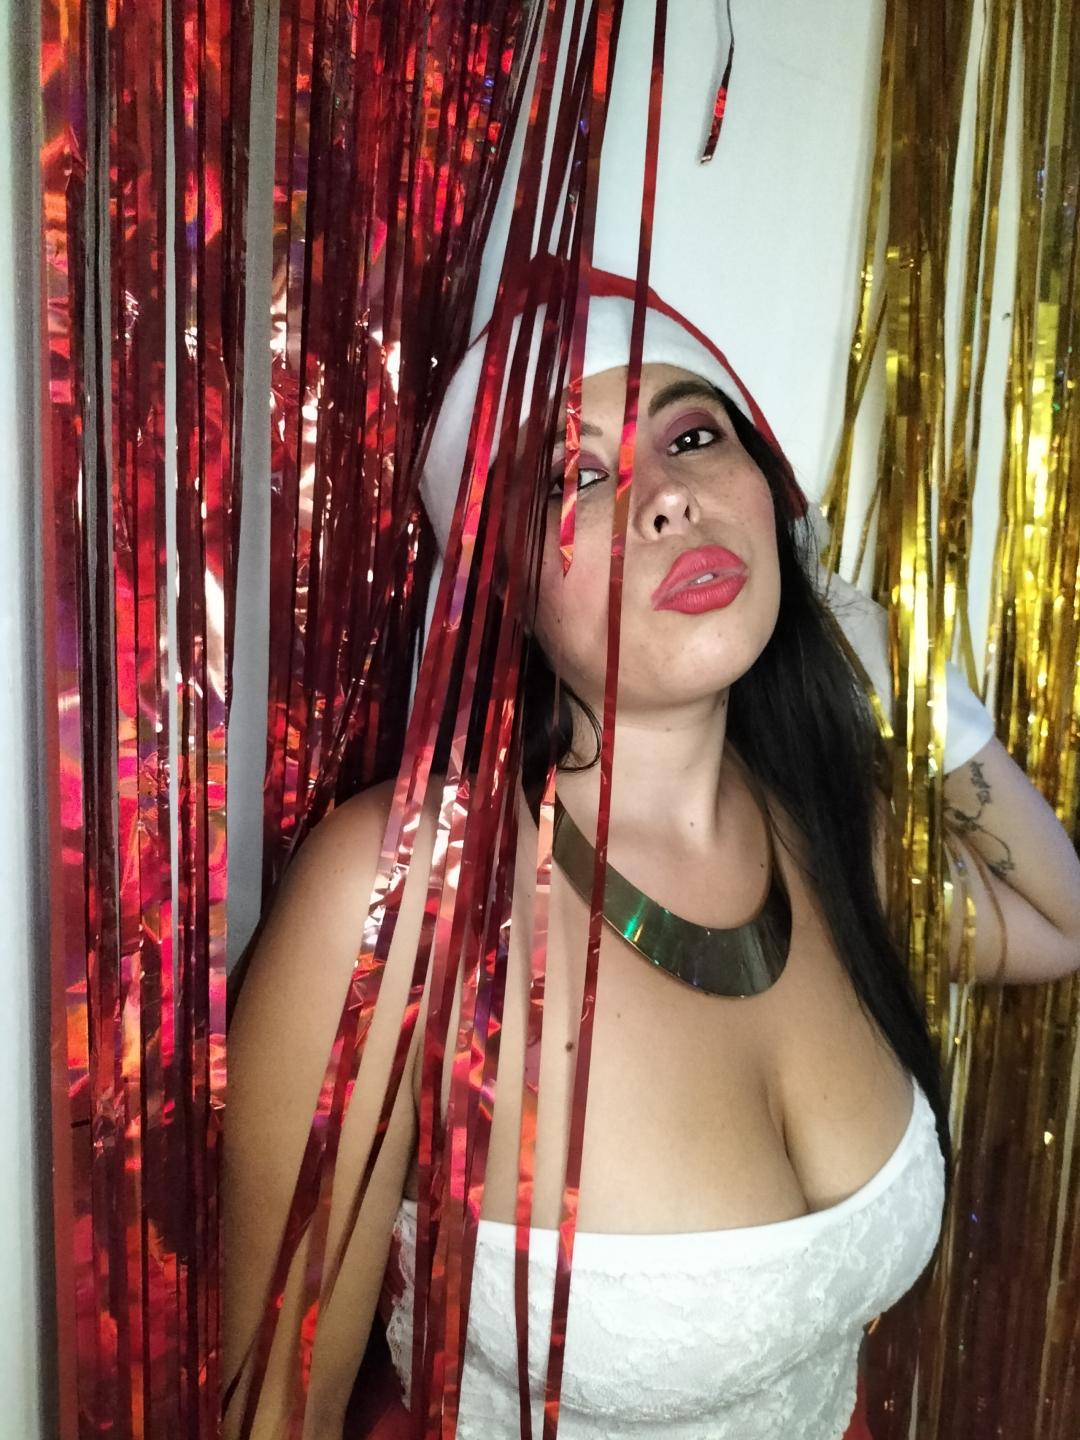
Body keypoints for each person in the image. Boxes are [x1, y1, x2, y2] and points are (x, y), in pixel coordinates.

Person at [222, 273, 1080, 1440]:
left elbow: (1057, 921)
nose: (667, 498)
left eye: (692, 437)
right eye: (572, 477)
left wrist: (909, 684)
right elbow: (275, 1415)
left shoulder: (831, 829)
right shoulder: (403, 889)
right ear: (501, 589)